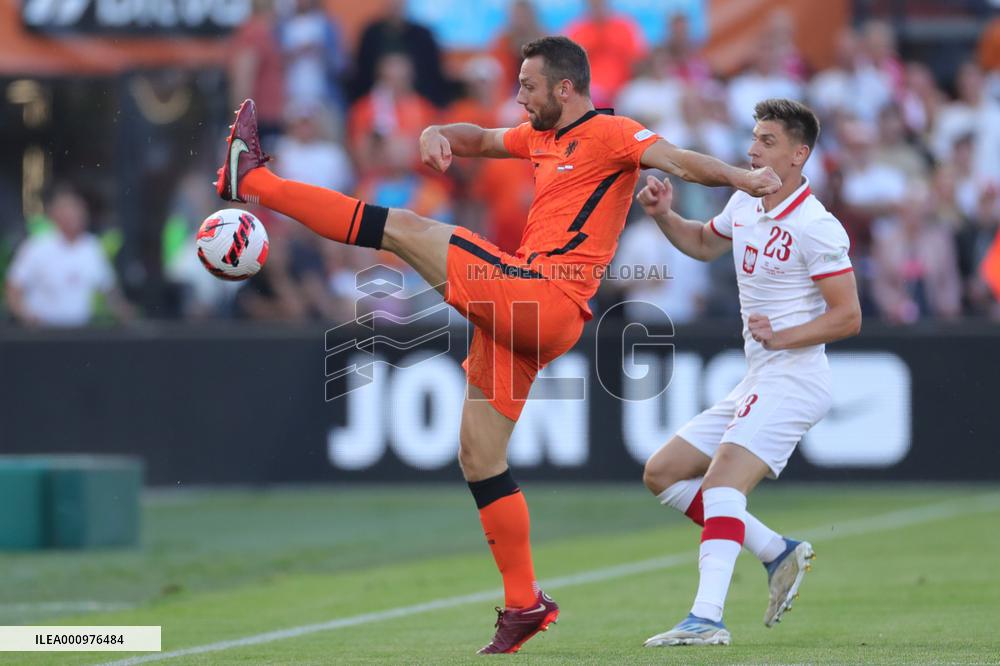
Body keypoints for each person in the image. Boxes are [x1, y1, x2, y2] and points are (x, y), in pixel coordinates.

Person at [214, 36, 780, 654]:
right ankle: (523, 603)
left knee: (406, 228)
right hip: (523, 317)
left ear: (566, 88)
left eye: (528, 86)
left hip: (543, 297)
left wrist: (741, 177)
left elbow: (678, 161)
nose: (519, 97)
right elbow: (481, 138)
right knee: (480, 458)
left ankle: (255, 181)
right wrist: (438, 131)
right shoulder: (541, 135)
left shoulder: (613, 133)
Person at [636, 98, 861, 647]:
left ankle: (706, 618)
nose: (752, 149)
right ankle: (775, 550)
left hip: (795, 379)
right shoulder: (744, 202)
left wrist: (781, 336)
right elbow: (701, 243)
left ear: (798, 155)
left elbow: (848, 316)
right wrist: (664, 215)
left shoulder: (816, 226)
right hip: (759, 377)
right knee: (663, 473)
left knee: (720, 485)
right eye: (754, 137)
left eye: (767, 140)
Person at [6, 185, 133, 327]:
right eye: (68, 212)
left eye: (78, 211)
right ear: (55, 215)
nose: (75, 217)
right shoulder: (36, 247)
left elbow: (109, 290)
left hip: (80, 331)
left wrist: (125, 313)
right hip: (43, 331)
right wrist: (26, 315)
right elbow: (13, 288)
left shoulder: (92, 247)